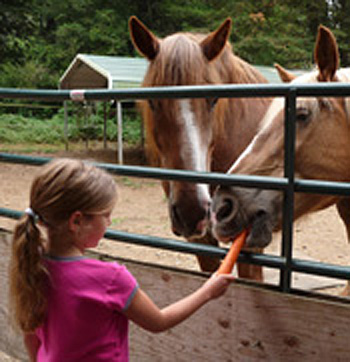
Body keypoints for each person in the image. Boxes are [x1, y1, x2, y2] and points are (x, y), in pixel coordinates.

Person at [9, 158, 234, 362]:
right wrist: (208, 291)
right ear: (77, 221)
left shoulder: (33, 266)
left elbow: (32, 338)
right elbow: (159, 321)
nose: (109, 221)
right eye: (105, 215)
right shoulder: (109, 279)